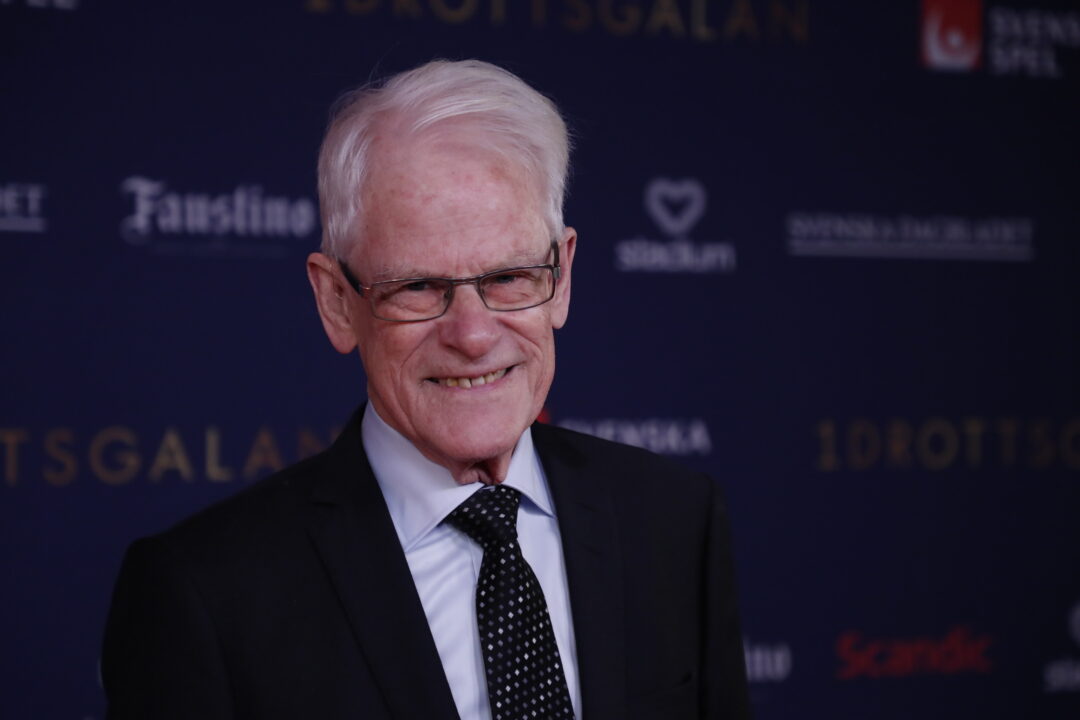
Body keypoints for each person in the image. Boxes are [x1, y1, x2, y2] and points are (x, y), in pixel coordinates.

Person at [102, 59, 752, 720]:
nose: (472, 335)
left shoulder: (675, 521)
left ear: (562, 277)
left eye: (509, 277)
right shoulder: (206, 593)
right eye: (416, 287)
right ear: (336, 301)